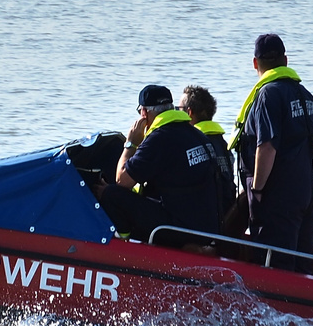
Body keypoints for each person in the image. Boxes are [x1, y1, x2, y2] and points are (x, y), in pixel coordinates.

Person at [94, 84, 222, 245]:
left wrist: (131, 144)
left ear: (144, 113)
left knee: (111, 193)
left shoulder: (160, 138)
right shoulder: (196, 134)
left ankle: (122, 247)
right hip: (207, 228)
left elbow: (122, 180)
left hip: (181, 230)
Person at [232, 34, 313, 268]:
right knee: (302, 265)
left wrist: (257, 190)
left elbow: (267, 146)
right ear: (286, 60)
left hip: (277, 195)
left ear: (255, 63)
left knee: (273, 266)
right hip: (306, 192)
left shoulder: (268, 94)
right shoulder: (305, 96)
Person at [179, 84, 237, 223]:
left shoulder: (190, 143)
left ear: (189, 112)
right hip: (225, 214)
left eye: (178, 109)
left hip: (204, 220)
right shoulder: (223, 144)